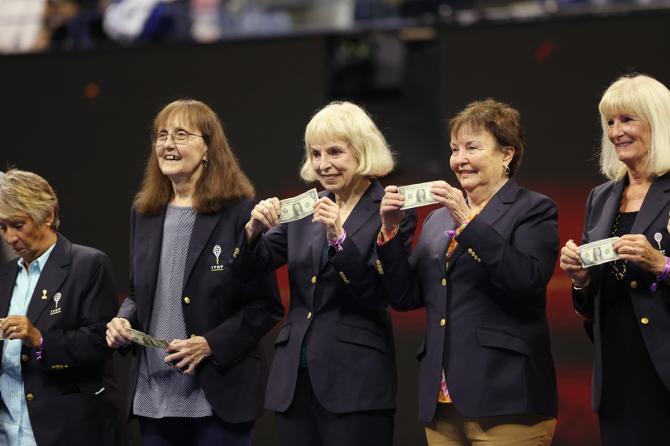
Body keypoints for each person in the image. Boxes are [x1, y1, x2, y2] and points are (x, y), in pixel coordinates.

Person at [232, 101, 416, 446]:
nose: (323, 164)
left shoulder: (391, 210)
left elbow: (381, 294)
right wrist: (252, 231)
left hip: (356, 381)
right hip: (294, 381)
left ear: (362, 151)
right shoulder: (304, 206)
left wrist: (338, 238)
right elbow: (246, 271)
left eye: (334, 152)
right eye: (315, 154)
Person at [378, 99, 558, 445]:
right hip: (442, 403)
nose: (459, 159)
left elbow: (527, 281)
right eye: (454, 149)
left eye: (472, 148)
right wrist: (389, 233)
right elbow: (406, 297)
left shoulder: (533, 209)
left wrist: (468, 221)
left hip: (507, 400)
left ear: (507, 154)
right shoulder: (437, 218)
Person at [105, 99, 283, 446]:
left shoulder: (241, 211)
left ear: (207, 149)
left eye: (181, 135)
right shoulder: (144, 212)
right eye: (161, 135)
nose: (168, 144)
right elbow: (140, 294)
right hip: (154, 396)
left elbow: (265, 306)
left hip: (218, 394)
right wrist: (124, 320)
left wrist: (210, 345)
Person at [559, 74, 670, 445]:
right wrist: (581, 279)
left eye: (627, 120)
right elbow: (593, 300)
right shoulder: (601, 197)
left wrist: (662, 265)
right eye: (610, 122)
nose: (616, 131)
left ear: (657, 121)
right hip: (619, 374)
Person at [0, 169, 125, 446]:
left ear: (49, 215)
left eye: (18, 225)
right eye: (2, 227)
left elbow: (98, 344)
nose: (10, 238)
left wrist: (39, 338)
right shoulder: (5, 276)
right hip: (9, 431)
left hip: (67, 431)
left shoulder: (88, 265)